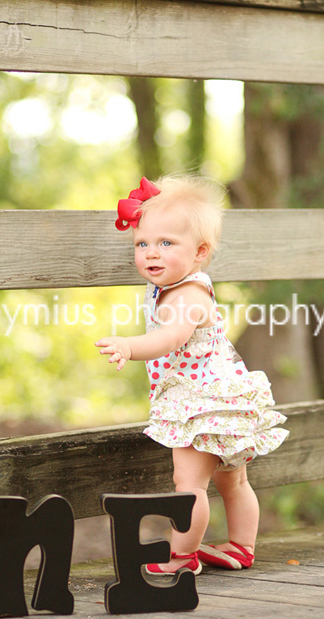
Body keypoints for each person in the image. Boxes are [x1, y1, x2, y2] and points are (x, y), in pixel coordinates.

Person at [95, 175, 288, 575]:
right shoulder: (184, 286)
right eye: (142, 243)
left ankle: (182, 557)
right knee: (232, 482)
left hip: (200, 406)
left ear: (200, 252)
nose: (152, 253)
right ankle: (241, 546)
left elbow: (170, 338)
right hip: (226, 400)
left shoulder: (185, 297)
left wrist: (129, 346)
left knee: (189, 485)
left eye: (167, 243)